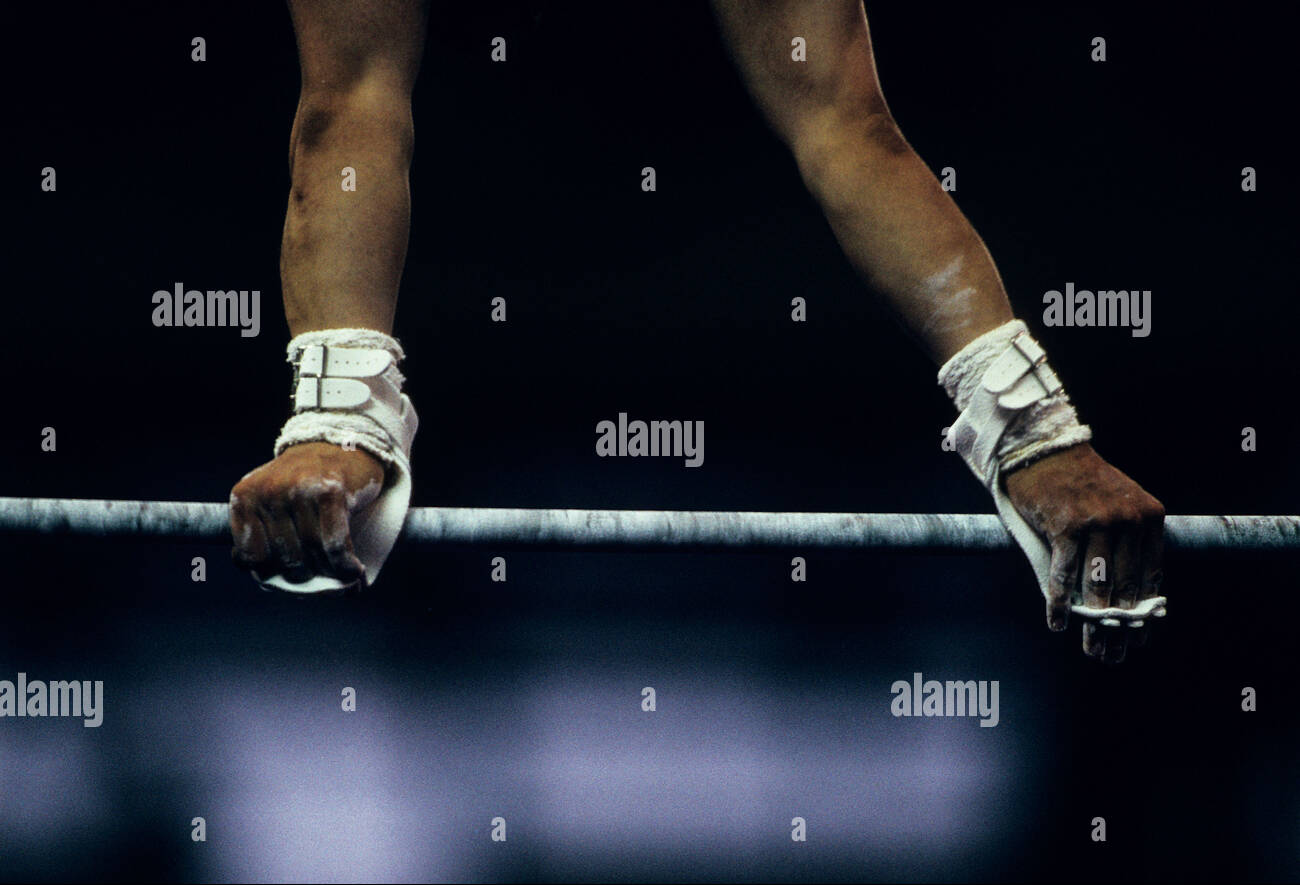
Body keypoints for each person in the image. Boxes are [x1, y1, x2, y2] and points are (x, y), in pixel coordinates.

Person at [230, 0, 1165, 664]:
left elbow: (847, 128)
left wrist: (1034, 431)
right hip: (501, 192)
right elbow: (349, 108)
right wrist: (336, 418)